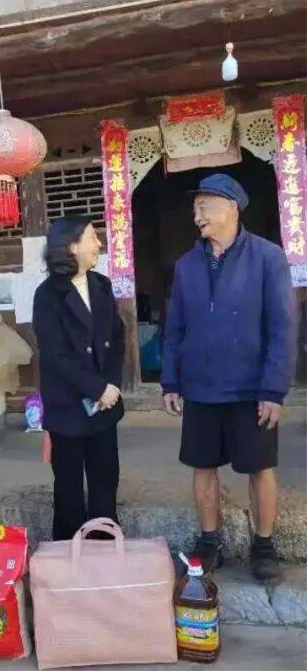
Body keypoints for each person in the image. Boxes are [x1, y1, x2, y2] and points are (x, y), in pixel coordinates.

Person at [161, 173, 295, 585]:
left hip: (251, 389)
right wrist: (170, 381)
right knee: (202, 467)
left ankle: (264, 545)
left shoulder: (268, 257)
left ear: (232, 208)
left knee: (260, 468)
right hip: (200, 387)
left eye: (204, 206)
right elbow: (175, 327)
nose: (197, 215)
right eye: (195, 208)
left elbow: (283, 326)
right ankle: (209, 541)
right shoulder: (186, 265)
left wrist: (273, 389)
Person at [32, 217, 125, 541]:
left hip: (104, 406)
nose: (99, 244)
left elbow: (117, 337)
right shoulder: (47, 295)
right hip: (68, 407)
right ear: (71, 246)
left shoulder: (102, 285)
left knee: (105, 480)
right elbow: (56, 354)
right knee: (68, 486)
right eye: (92, 237)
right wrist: (96, 388)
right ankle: (67, 553)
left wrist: (111, 386)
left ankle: (104, 545)